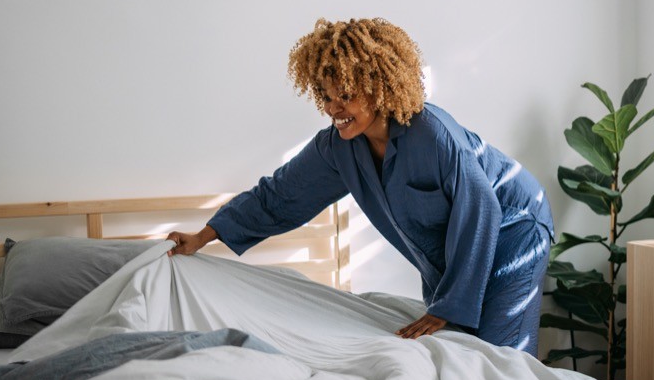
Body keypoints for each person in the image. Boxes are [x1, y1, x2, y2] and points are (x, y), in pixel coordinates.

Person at [167, 18, 554, 355]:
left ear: (380, 87)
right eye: (326, 96)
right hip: (463, 249)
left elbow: (481, 207)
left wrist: (448, 307)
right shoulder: (339, 148)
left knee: (502, 354)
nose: (334, 108)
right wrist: (204, 236)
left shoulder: (433, 136)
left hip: (515, 225)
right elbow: (279, 195)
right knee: (463, 347)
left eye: (347, 95)